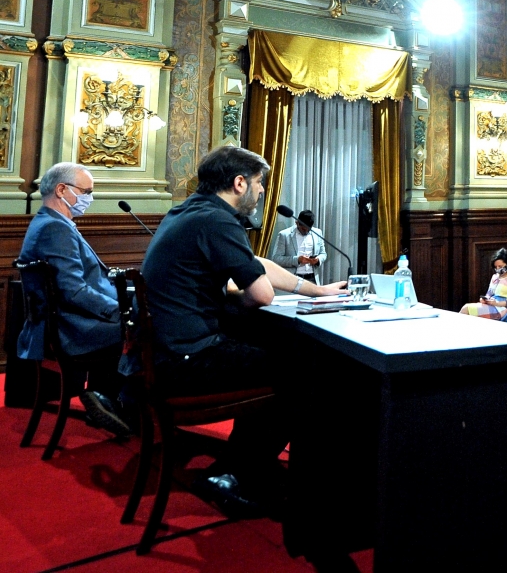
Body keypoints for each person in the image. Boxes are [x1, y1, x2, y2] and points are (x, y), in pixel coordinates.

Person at [141, 148, 349, 536]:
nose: (262, 191)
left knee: (279, 357)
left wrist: (318, 291)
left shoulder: (189, 212)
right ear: (239, 183)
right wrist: (243, 296)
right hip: (188, 359)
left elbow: (257, 266)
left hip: (167, 353)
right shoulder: (218, 220)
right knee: (305, 370)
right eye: (259, 183)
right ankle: (239, 476)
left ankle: (236, 467)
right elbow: (262, 295)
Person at [16, 162, 133, 437]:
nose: (90, 198)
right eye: (86, 191)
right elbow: (74, 291)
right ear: (61, 190)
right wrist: (120, 310)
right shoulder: (54, 228)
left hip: (67, 323)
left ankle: (107, 400)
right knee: (144, 329)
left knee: (138, 322)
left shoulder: (50, 223)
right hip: (70, 329)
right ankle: (124, 406)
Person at [460, 248, 507, 320]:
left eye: (500, 266)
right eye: (496, 267)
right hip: (491, 305)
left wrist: (497, 303)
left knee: (466, 308)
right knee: (468, 312)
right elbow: (489, 294)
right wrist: (484, 299)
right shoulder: (495, 276)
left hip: (503, 309)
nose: (497, 269)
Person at [270, 209, 327, 284]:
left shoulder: (317, 233)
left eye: (308, 230)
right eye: (303, 229)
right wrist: (297, 260)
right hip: (292, 279)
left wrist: (318, 260)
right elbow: (276, 258)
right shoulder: (284, 235)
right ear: (297, 223)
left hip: (312, 278)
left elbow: (323, 254)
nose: (306, 232)